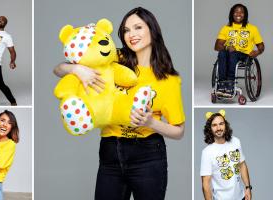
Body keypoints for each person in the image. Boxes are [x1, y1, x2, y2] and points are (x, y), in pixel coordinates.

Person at [54, 7, 185, 200]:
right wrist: (77, 70)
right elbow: (58, 69)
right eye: (126, 30)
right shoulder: (115, 57)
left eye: (138, 27)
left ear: (152, 29)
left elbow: (179, 131)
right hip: (110, 150)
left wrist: (151, 123)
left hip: (147, 155)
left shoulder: (168, 80)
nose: (131, 34)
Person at [214, 4, 264, 97]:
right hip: (229, 52)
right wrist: (226, 47)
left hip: (244, 55)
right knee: (222, 53)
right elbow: (217, 46)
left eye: (241, 12)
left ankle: (230, 83)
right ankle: (221, 84)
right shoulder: (226, 28)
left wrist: (257, 52)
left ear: (245, 15)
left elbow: (261, 46)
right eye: (236, 11)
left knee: (233, 54)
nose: (239, 14)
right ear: (232, 14)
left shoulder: (252, 28)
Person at [201, 110, 252, 200]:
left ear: (225, 125)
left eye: (221, 124)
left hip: (241, 197)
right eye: (214, 125)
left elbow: (242, 165)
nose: (218, 128)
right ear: (210, 128)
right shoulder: (207, 152)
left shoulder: (236, 141)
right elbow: (205, 184)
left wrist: (248, 188)